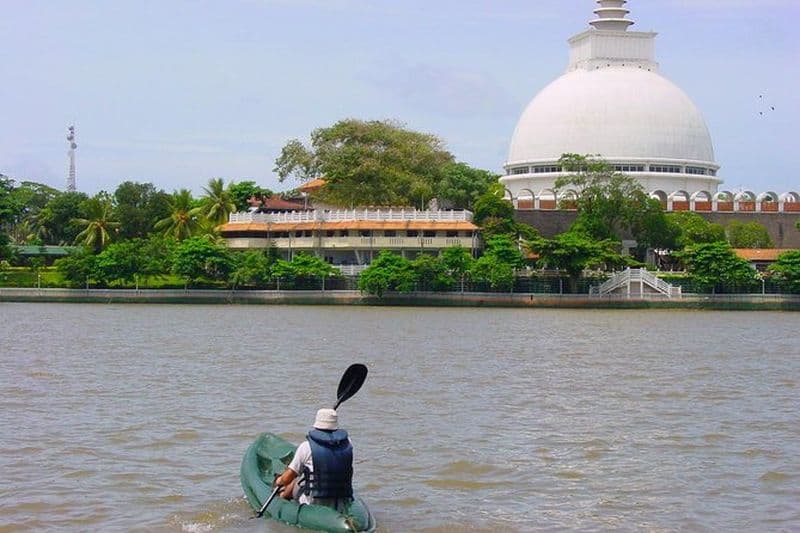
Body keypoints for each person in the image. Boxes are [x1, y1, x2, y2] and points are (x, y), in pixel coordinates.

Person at [274, 408, 354, 509]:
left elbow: (287, 478)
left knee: (296, 479)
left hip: (314, 501)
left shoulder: (306, 447)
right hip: (342, 500)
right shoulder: (348, 444)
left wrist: (279, 481)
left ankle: (282, 499)